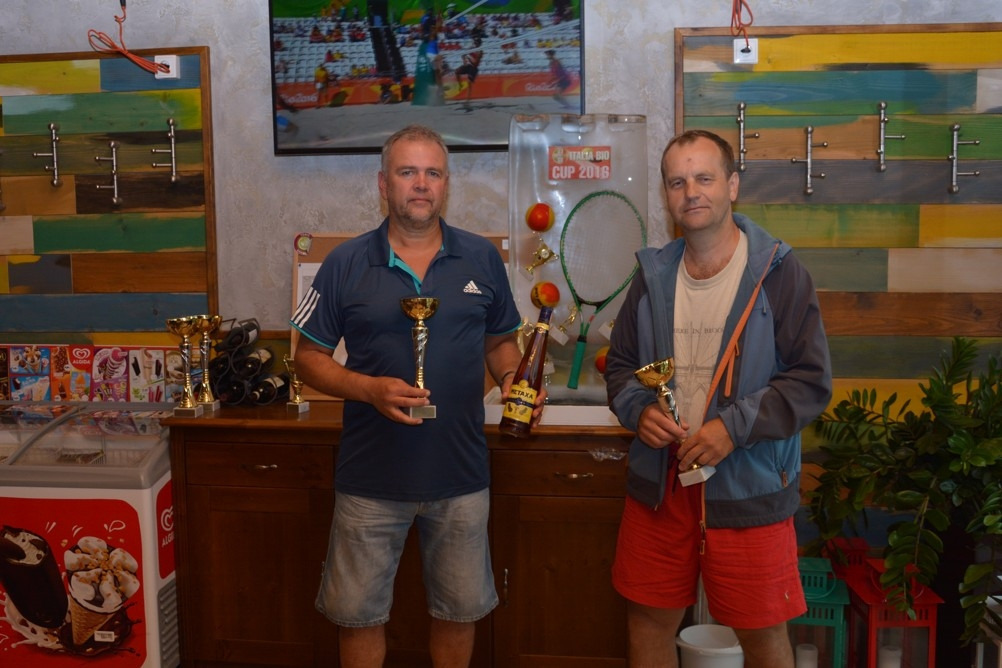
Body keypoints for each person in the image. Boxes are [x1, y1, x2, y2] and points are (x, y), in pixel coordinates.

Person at [291, 124, 543, 668]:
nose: (421, 184)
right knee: (359, 618)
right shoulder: (345, 263)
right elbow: (306, 358)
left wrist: (511, 379)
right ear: (384, 183)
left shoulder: (481, 258)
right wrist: (368, 389)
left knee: (458, 614)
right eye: (408, 172)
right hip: (370, 479)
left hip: (460, 476)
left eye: (433, 173)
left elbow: (500, 341)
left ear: (446, 184)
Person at [604, 129, 832, 668]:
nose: (691, 192)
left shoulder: (779, 272)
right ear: (666, 195)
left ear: (732, 185)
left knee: (763, 638)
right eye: (677, 182)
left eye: (704, 178)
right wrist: (640, 411)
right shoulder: (651, 276)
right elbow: (621, 367)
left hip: (749, 486)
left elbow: (810, 380)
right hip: (661, 486)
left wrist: (732, 427)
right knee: (648, 624)